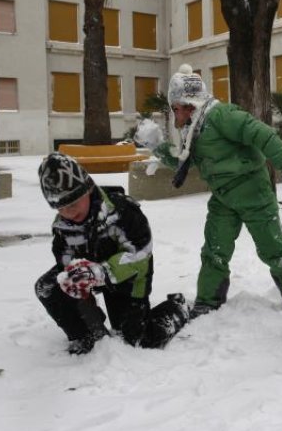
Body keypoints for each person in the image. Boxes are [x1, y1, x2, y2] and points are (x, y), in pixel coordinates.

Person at [138, 64, 282, 317]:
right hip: (223, 197)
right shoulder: (194, 129)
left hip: (254, 193)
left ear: (187, 104)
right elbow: (184, 161)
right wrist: (157, 147)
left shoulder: (221, 116)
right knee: (214, 250)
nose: (174, 114)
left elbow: (262, 134)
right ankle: (208, 301)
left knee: (274, 248)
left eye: (174, 108)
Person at [35, 152, 189, 355]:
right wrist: (75, 280)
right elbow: (64, 257)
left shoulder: (122, 212)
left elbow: (140, 253)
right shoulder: (63, 227)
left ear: (87, 190)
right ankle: (84, 337)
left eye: (73, 203)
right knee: (47, 287)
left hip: (130, 277)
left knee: (136, 341)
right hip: (91, 273)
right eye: (61, 208)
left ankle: (177, 308)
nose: (69, 212)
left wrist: (101, 272)